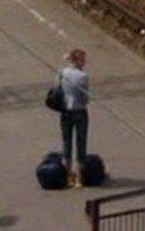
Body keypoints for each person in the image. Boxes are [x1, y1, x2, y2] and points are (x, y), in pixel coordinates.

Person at [57, 48, 90, 187]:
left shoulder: (63, 73)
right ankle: (79, 178)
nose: (85, 62)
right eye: (83, 59)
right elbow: (84, 98)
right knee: (81, 143)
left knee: (66, 142)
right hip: (80, 112)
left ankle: (68, 176)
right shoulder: (83, 76)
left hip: (65, 111)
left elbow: (57, 87)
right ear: (78, 61)